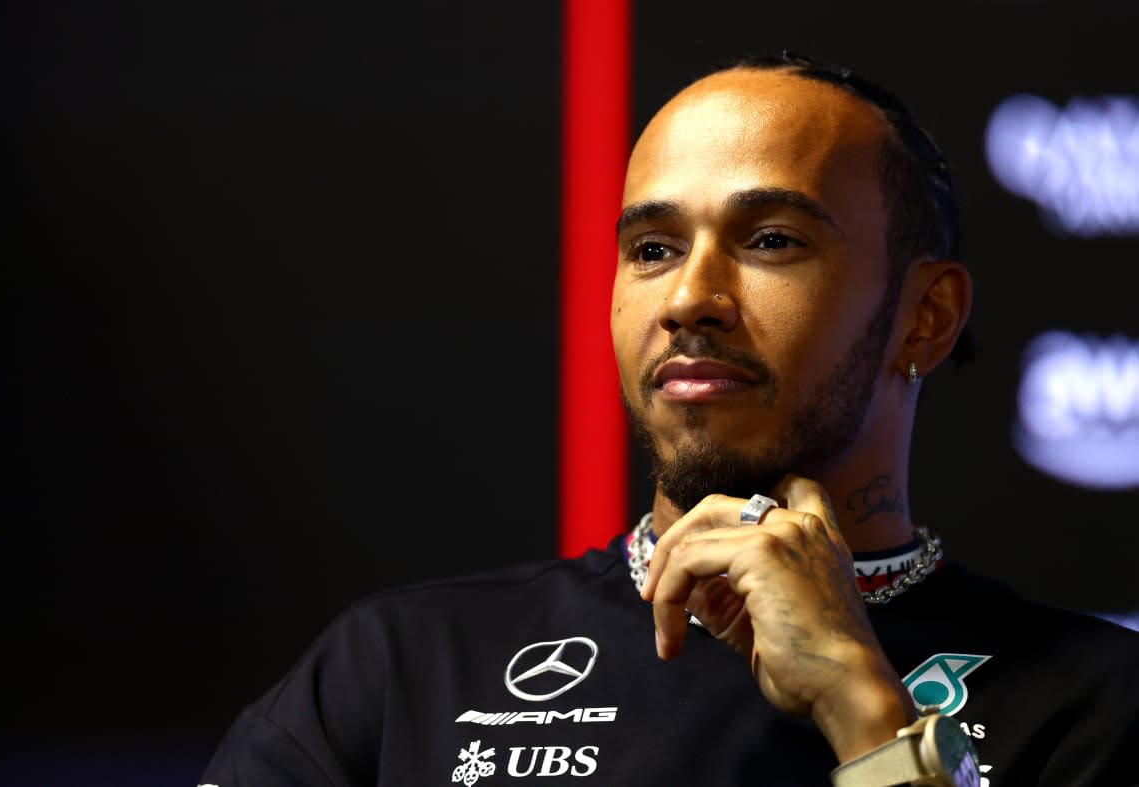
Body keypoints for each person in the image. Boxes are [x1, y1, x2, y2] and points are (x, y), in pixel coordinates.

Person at [199, 52, 1139, 786]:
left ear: (924, 317)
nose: (689, 296)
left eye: (771, 240)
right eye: (651, 247)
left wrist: (866, 709)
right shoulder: (400, 669)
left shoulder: (1094, 701)